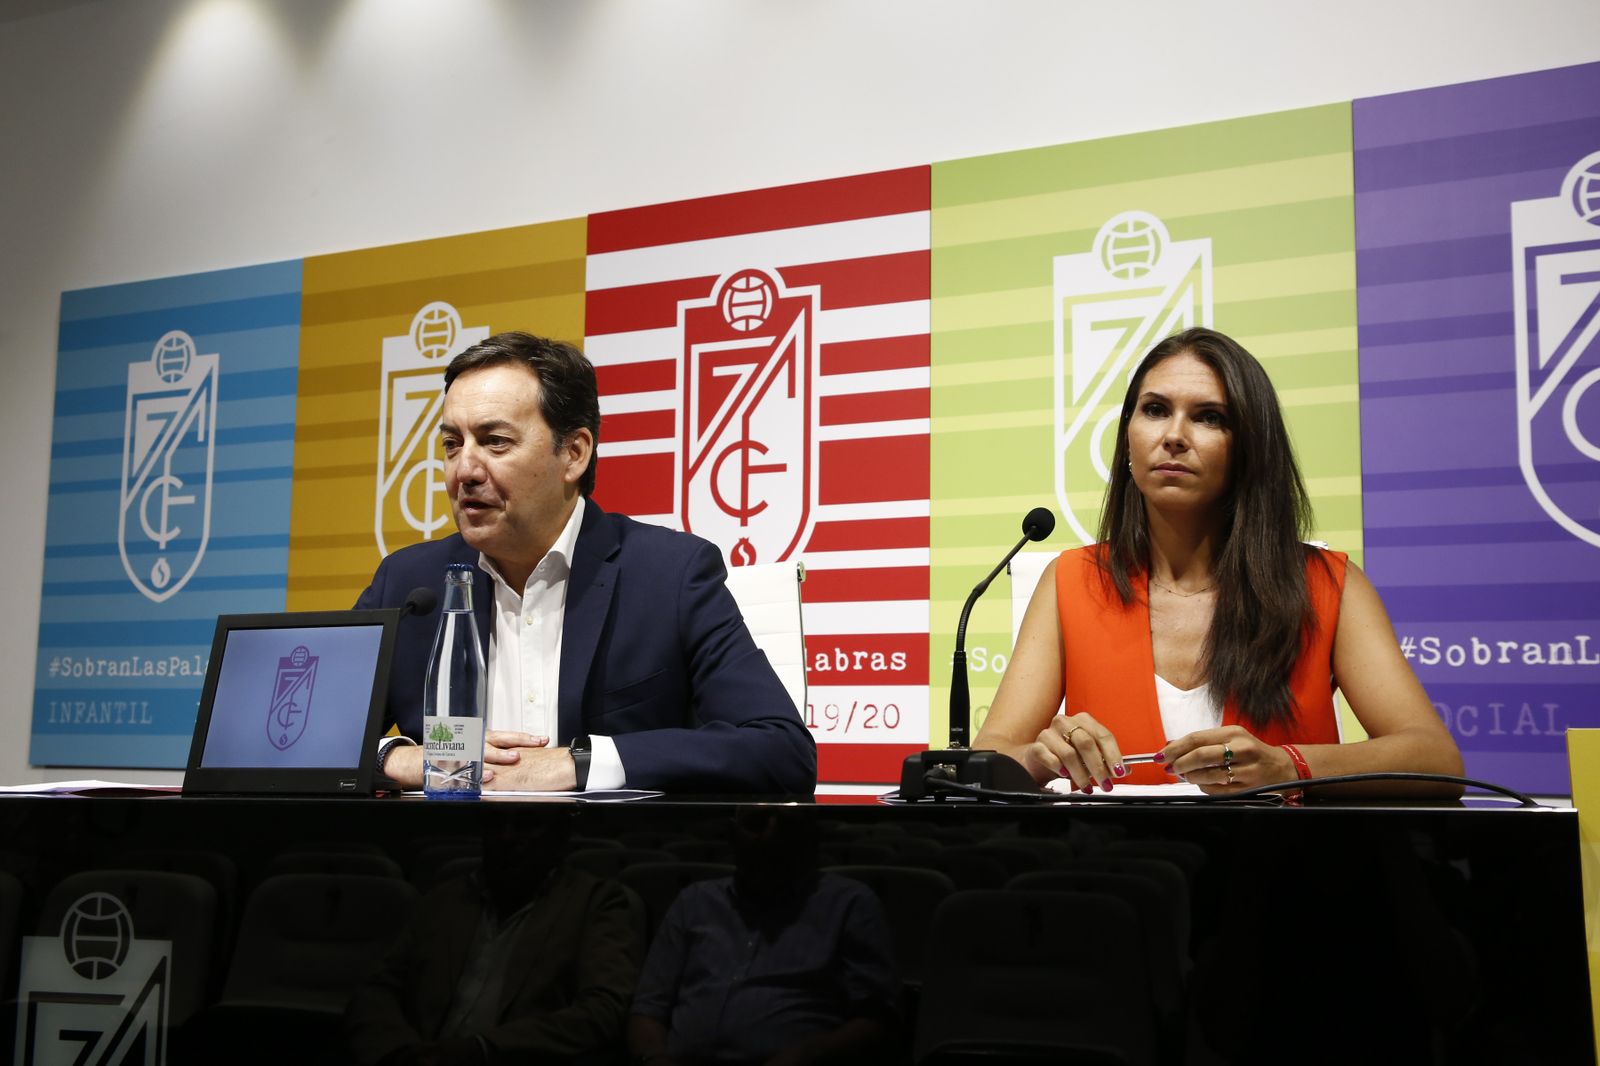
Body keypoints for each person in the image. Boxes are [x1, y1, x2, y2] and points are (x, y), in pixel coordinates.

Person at [974, 327, 1463, 796]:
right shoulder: (1072, 579)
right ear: (1127, 437)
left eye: (1209, 417)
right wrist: (1042, 758)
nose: (1174, 435)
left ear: (1249, 449)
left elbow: (1434, 758)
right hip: (1117, 870)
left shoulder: (1329, 584)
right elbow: (988, 757)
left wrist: (1289, 765)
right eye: (1155, 410)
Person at [356, 332, 815, 795]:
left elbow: (780, 749)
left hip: (610, 857)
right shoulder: (409, 583)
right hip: (443, 859)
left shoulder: (669, 575)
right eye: (453, 444)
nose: (464, 470)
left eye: (494, 442)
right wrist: (394, 756)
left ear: (573, 453)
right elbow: (299, 742)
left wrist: (580, 763)